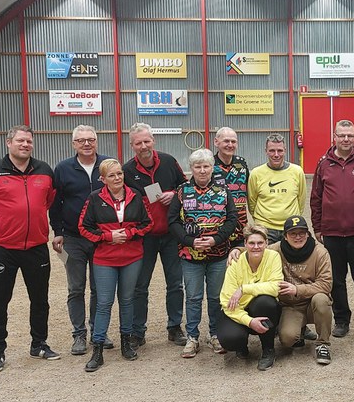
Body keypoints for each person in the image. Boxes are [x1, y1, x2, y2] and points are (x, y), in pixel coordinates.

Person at [0, 125, 58, 373]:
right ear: (8, 143)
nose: (25, 145)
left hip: (36, 248)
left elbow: (48, 200)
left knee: (40, 299)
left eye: (29, 141)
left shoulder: (45, 171)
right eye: (20, 140)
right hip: (3, 249)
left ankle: (39, 344)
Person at [79, 159, 153, 372]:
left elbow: (147, 223)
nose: (117, 178)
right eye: (111, 175)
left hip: (131, 256)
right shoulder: (94, 199)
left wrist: (129, 233)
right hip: (105, 258)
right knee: (104, 303)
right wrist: (107, 236)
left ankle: (126, 343)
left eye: (119, 173)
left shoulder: (135, 196)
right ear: (102, 179)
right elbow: (84, 227)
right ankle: (98, 348)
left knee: (127, 300)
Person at [50, 125, 114, 355]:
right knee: (76, 288)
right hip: (73, 238)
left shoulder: (107, 165)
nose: (86, 144)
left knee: (100, 288)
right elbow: (55, 204)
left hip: (101, 238)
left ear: (97, 141)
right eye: (81, 140)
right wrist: (57, 230)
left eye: (90, 140)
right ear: (73, 143)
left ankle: (99, 330)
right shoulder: (63, 168)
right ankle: (78, 334)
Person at [168, 149, 238, 358]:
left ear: (212, 168)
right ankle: (192, 337)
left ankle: (214, 334)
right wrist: (190, 241)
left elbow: (232, 219)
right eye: (197, 166)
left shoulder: (223, 190)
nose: (202, 170)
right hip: (191, 256)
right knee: (193, 297)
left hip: (218, 254)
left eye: (206, 166)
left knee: (216, 297)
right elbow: (173, 221)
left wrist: (216, 239)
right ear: (191, 168)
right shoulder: (182, 191)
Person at [122, 123, 187, 348]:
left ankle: (175, 327)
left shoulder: (169, 161)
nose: (143, 146)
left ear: (154, 141)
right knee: (140, 286)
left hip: (171, 234)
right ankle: (138, 331)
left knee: (175, 284)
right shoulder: (127, 170)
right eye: (138, 143)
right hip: (144, 237)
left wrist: (173, 194)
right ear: (132, 145)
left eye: (147, 141)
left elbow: (186, 188)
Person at [311, 120, 354, 340]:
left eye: (350, 135)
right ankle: (341, 320)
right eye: (342, 135)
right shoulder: (324, 163)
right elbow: (316, 198)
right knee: (336, 280)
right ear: (334, 137)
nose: (346, 139)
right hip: (332, 233)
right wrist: (317, 226)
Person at [218, 224, 283, 371]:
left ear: (266, 243)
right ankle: (241, 345)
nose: (256, 247)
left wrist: (244, 289)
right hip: (238, 310)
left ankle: (268, 350)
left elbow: (276, 287)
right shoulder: (235, 262)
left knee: (266, 301)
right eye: (251, 243)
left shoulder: (273, 257)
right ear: (245, 244)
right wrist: (249, 321)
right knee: (230, 339)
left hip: (260, 307)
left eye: (260, 243)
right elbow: (226, 300)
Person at [272, 216, 334, 365]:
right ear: (285, 236)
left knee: (322, 299)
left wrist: (297, 289)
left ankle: (323, 344)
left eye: (302, 233)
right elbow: (256, 249)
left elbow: (326, 285)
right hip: (291, 305)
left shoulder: (320, 252)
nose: (298, 237)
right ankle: (299, 330)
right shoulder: (276, 249)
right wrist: (237, 250)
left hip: (313, 302)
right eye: (293, 233)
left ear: (308, 234)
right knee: (287, 340)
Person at [247, 133, 306, 243]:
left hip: (290, 227)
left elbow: (301, 200)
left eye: (280, 150)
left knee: (290, 260)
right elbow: (252, 202)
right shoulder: (256, 173)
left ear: (285, 150)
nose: (276, 155)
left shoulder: (297, 172)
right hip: (265, 228)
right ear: (266, 151)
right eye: (272, 151)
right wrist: (261, 221)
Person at [212, 127, 249, 248]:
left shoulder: (241, 163)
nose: (230, 145)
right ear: (216, 142)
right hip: (218, 229)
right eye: (226, 141)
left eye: (233, 141)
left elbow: (250, 191)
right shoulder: (208, 165)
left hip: (240, 229)